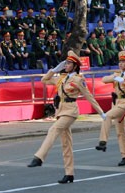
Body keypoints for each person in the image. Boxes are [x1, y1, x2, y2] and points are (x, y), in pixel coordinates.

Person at [27, 51, 105, 184]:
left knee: (53, 130)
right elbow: (44, 80)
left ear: (75, 66)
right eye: (66, 63)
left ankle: (39, 157)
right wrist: (54, 69)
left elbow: (89, 96)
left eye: (69, 63)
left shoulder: (79, 80)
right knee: (66, 144)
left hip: (70, 111)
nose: (66, 65)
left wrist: (102, 113)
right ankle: (69, 174)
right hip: (60, 111)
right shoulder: (62, 78)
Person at [95, 51, 125, 166]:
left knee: (108, 116)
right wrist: (115, 77)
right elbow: (104, 79)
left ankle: (103, 142)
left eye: (123, 62)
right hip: (116, 102)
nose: (121, 64)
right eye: (120, 61)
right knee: (120, 132)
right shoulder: (117, 74)